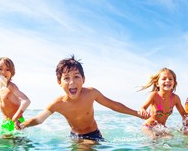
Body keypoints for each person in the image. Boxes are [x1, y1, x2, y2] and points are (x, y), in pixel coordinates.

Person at [16, 55, 147, 142]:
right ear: (59, 82)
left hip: (95, 134)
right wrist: (23, 125)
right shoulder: (58, 103)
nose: (72, 82)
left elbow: (114, 105)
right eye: (66, 78)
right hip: (75, 137)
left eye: (76, 77)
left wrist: (137, 114)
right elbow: (39, 119)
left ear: (83, 79)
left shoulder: (91, 93)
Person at [138, 67, 188, 138]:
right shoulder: (154, 95)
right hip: (149, 127)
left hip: (162, 128)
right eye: (164, 79)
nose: (167, 80)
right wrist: (142, 110)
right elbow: (142, 107)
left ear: (174, 83)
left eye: (170, 79)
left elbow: (184, 115)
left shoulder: (175, 98)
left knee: (170, 138)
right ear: (157, 83)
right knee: (154, 137)